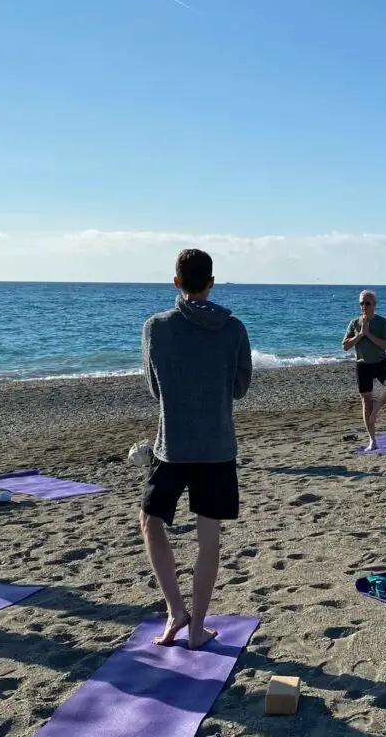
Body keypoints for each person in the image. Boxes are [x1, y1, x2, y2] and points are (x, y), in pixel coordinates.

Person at [140, 249, 252, 649]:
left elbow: (155, 389)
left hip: (172, 446)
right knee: (209, 537)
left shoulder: (155, 327)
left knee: (151, 523)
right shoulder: (233, 328)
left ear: (176, 283)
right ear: (211, 282)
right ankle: (196, 625)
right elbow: (239, 388)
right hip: (217, 446)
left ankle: (177, 611)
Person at [343, 290, 386, 450]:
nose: (364, 306)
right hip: (362, 365)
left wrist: (369, 335)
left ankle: (378, 406)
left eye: (367, 303)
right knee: (365, 402)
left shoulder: (383, 322)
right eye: (361, 303)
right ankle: (372, 441)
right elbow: (345, 346)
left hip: (380, 363)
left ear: (374, 305)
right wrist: (359, 335)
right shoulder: (354, 323)